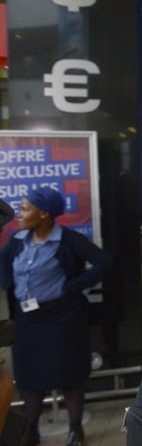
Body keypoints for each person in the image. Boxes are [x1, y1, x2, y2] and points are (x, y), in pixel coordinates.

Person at [0, 188, 113, 446]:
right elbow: (3, 267)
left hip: (62, 320)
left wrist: (72, 286)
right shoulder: (17, 240)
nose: (19, 214)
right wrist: (10, 287)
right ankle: (30, 433)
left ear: (44, 213)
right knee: (30, 382)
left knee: (69, 376)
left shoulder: (68, 239)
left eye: (25, 208)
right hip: (27, 323)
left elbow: (104, 263)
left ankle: (75, 431)